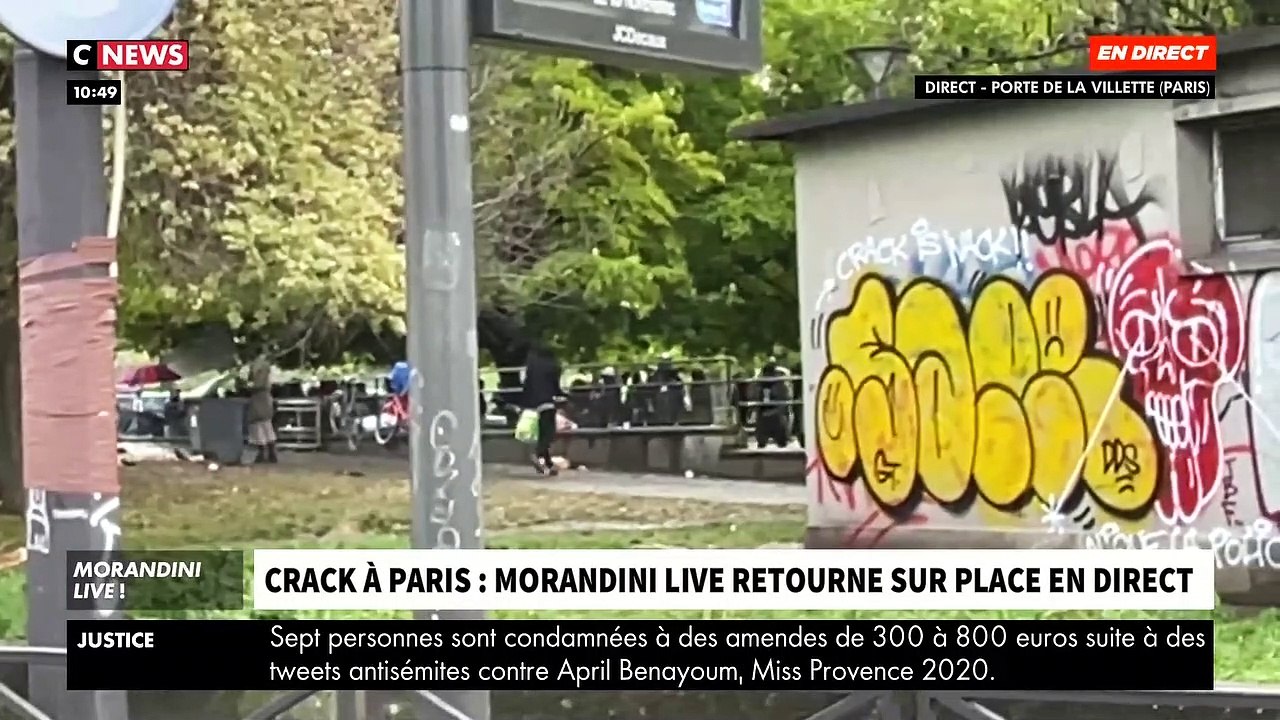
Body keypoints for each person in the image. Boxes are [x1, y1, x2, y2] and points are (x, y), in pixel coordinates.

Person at [522, 343, 565, 475]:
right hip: (547, 401)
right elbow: (554, 385)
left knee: (542, 432)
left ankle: (548, 464)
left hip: (534, 403)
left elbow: (527, 385)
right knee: (549, 433)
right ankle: (537, 453)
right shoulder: (552, 366)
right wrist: (562, 395)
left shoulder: (532, 366)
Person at [754, 357, 791, 449]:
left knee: (764, 440)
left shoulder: (762, 382)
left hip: (767, 414)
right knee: (780, 440)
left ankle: (769, 440)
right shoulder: (778, 382)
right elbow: (785, 397)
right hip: (773, 414)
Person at [247, 355, 278, 463]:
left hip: (259, 397)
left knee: (258, 426)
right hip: (265, 397)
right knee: (266, 425)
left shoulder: (259, 366)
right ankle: (270, 453)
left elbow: (257, 383)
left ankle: (263, 453)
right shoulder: (267, 366)